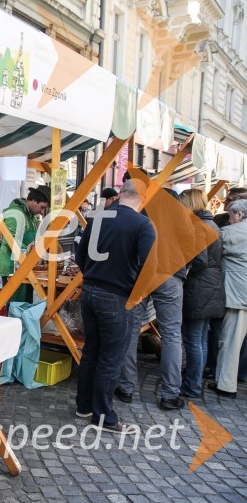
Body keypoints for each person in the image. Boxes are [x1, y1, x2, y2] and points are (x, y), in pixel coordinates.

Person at [75, 178, 155, 433]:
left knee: (92, 351)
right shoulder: (143, 224)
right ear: (143, 199)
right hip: (116, 296)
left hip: (90, 291)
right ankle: (103, 417)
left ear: (121, 194)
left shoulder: (99, 217)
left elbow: (80, 254)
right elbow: (149, 266)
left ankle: (84, 406)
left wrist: (92, 275)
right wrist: (138, 294)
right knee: (110, 357)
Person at [116, 187, 191, 411]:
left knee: (131, 330)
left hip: (142, 275)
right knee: (171, 334)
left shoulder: (140, 215)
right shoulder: (182, 218)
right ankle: (169, 394)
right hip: (171, 275)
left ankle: (126, 387)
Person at [178, 190, 225, 398]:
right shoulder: (212, 224)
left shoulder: (198, 226)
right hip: (211, 287)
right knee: (201, 338)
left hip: (199, 288)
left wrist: (182, 267)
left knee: (193, 338)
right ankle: (194, 381)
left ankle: (192, 385)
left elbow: (199, 260)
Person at [209, 199, 247, 398]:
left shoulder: (231, 232)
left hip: (239, 295)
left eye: (231, 215)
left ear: (240, 215)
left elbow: (213, 251)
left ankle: (226, 385)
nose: (229, 219)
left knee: (231, 341)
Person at [0, 185, 50, 305]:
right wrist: (30, 250)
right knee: (16, 306)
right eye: (42, 207)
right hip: (13, 267)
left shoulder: (30, 215)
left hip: (25, 266)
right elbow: (9, 241)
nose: (42, 212)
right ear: (33, 201)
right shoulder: (15, 214)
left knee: (25, 305)